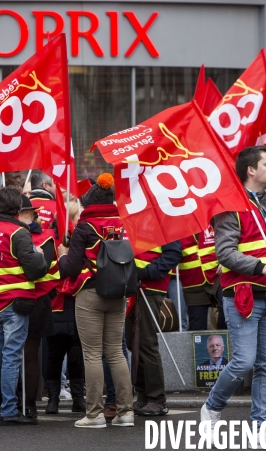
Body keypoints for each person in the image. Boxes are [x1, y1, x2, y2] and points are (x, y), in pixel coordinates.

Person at [200, 146, 266, 450]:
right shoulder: (231, 206)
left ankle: (260, 428)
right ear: (251, 170)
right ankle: (212, 407)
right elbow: (224, 253)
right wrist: (260, 266)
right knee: (244, 361)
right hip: (243, 295)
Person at [58, 174, 134, 428]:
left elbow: (71, 267)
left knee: (92, 354)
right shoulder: (123, 223)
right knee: (115, 352)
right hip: (118, 294)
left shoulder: (84, 227)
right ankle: (126, 412)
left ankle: (94, 414)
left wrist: (61, 255)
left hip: (90, 293)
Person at [0, 186, 48, 426]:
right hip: (14, 303)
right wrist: (39, 254)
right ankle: (8, 410)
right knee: (11, 356)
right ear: (17, 209)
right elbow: (35, 269)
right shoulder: (18, 232)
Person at [16, 195, 60, 418]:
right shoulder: (11, 235)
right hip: (13, 299)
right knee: (12, 353)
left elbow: (47, 270)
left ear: (29, 214)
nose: (19, 217)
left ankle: (29, 404)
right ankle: (13, 400)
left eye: (23, 213)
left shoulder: (46, 239)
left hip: (36, 302)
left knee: (30, 354)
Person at [130, 240, 181, 417]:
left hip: (149, 288)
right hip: (131, 287)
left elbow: (173, 254)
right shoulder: (133, 218)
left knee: (146, 343)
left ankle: (157, 399)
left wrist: (146, 272)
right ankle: (143, 394)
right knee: (133, 343)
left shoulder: (162, 220)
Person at [44, 200, 85, 416]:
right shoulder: (49, 242)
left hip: (73, 303)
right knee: (56, 354)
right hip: (59, 304)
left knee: (74, 354)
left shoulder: (77, 240)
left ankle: (77, 399)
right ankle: (53, 400)